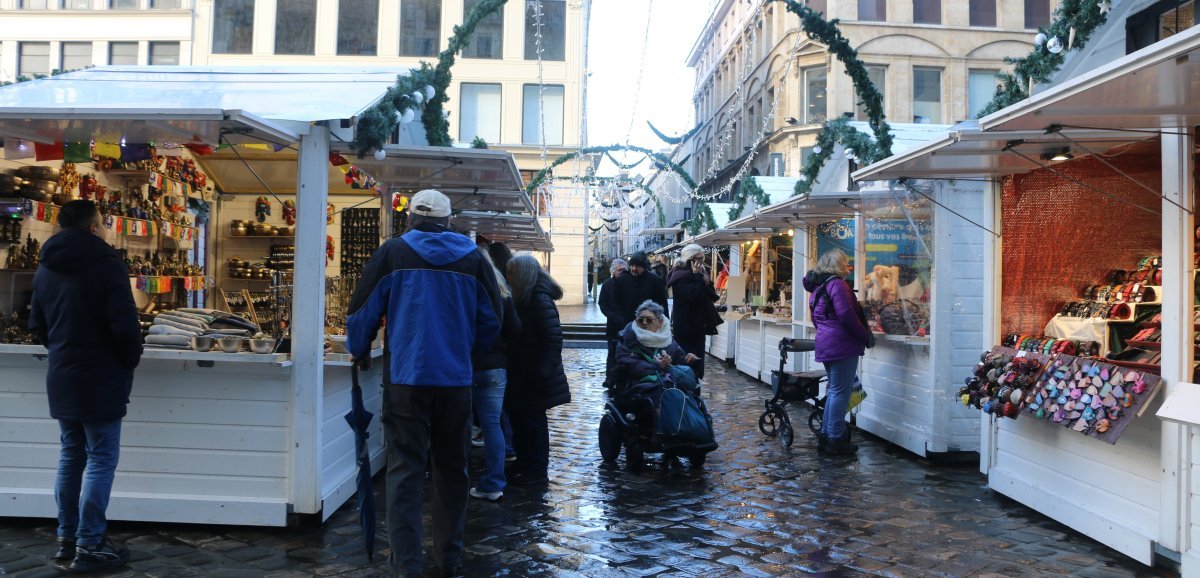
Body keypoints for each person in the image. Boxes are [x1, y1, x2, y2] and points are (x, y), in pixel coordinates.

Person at [346, 189, 501, 578]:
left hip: (406, 380)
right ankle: (449, 559)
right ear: (449, 220)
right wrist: (468, 349)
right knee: (452, 470)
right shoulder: (473, 259)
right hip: (455, 380)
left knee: (404, 473)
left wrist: (359, 346)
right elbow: (492, 320)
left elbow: (362, 310)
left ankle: (407, 567)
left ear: (411, 218)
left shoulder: (393, 252)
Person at [29, 200, 142, 573]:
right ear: (94, 227)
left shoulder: (45, 267)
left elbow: (38, 326)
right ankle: (90, 544)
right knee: (101, 458)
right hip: (102, 375)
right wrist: (127, 361)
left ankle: (67, 539)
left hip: (62, 374)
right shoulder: (108, 267)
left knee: (70, 456)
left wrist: (63, 350)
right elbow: (125, 327)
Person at [504, 254, 570, 486]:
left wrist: (542, 371)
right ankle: (525, 463)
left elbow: (552, 339)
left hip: (534, 374)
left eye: (511, 272)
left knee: (533, 422)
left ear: (522, 274)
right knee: (522, 420)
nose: (507, 276)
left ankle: (536, 469)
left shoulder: (538, 299)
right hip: (524, 372)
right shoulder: (526, 297)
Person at [801, 249, 872, 456]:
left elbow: (817, 318)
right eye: (846, 263)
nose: (848, 267)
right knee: (840, 392)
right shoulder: (838, 285)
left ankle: (827, 434)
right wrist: (864, 336)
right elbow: (847, 315)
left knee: (834, 391)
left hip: (827, 342)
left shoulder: (819, 287)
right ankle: (835, 438)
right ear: (837, 265)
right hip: (842, 344)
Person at [469, 245, 522, 502]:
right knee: (492, 426)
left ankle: (455, 478)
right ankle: (493, 483)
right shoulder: (503, 292)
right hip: (495, 367)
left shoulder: (466, 289)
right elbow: (515, 329)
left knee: (460, 423)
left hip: (467, 365)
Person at [612, 300, 698, 394]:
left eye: (649, 320)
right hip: (636, 386)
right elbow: (630, 365)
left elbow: (679, 358)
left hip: (665, 384)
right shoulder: (627, 339)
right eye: (640, 320)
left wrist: (688, 359)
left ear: (660, 322)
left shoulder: (667, 339)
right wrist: (658, 365)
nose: (644, 323)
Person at [666, 244, 721, 380]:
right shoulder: (680, 276)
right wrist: (698, 278)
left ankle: (694, 388)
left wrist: (708, 283)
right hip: (686, 326)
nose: (702, 262)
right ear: (691, 259)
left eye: (703, 258)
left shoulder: (699, 274)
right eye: (699, 258)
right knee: (687, 359)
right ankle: (687, 388)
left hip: (697, 325)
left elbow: (711, 296)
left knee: (697, 360)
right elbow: (695, 296)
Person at [614, 252, 668, 334]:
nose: (634, 269)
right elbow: (615, 302)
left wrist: (664, 324)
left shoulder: (655, 280)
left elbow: (662, 304)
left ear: (644, 267)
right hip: (627, 325)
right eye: (632, 265)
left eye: (637, 266)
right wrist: (619, 319)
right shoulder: (622, 279)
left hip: (648, 327)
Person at [597, 258, 628, 370]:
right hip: (613, 325)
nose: (622, 272)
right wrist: (611, 315)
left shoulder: (630, 283)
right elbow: (602, 303)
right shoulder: (607, 284)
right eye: (620, 270)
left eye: (624, 270)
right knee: (612, 353)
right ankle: (610, 377)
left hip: (627, 324)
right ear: (613, 271)